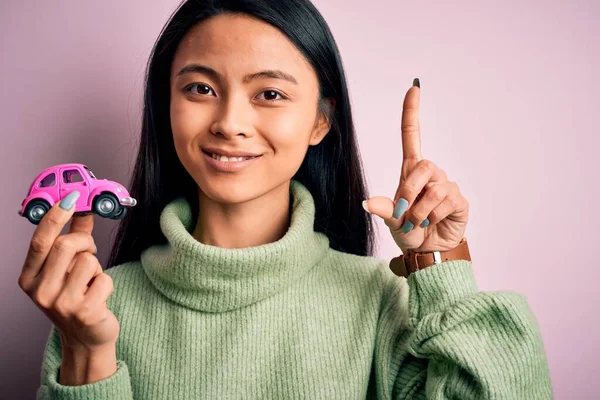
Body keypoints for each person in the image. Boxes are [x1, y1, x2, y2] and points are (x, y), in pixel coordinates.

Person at [18, 0, 553, 398]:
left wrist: (442, 267)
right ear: (167, 106)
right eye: (200, 88)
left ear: (321, 119)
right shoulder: (93, 307)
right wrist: (88, 354)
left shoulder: (381, 301)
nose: (229, 123)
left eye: (269, 94)